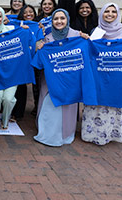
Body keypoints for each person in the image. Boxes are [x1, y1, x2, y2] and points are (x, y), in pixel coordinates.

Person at [82, 3, 122, 145]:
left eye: (113, 12)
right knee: (97, 104)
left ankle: (112, 134)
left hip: (119, 77)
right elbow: (90, 52)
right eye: (106, 12)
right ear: (101, 14)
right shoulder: (96, 31)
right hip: (99, 76)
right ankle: (92, 134)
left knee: (116, 104)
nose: (110, 14)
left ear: (118, 14)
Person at [34, 9, 89, 146]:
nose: (59, 21)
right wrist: (39, 48)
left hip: (71, 81)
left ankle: (65, 134)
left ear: (67, 20)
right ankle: (46, 134)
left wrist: (87, 40)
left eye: (62, 18)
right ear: (51, 21)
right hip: (50, 81)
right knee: (49, 105)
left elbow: (88, 54)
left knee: (67, 108)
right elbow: (38, 62)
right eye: (55, 19)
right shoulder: (47, 37)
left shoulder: (77, 36)